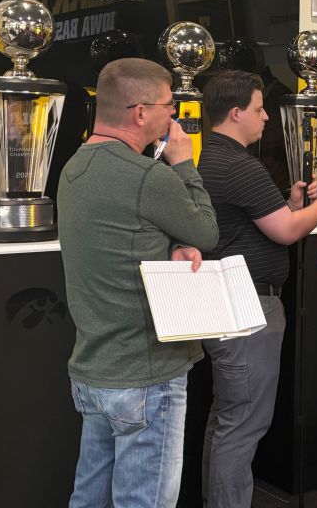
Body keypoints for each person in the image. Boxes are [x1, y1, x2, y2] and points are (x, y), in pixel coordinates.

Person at [58, 58, 220, 508]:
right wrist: (185, 163)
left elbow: (121, 241)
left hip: (94, 369)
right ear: (140, 112)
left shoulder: (73, 170)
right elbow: (206, 231)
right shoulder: (150, 176)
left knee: (88, 498)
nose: (176, 116)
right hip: (147, 374)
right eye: (169, 106)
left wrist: (168, 247)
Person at [197, 70, 317, 508]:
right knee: (242, 422)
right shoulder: (240, 165)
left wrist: (296, 203)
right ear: (237, 112)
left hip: (228, 299)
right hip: (247, 304)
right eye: (260, 109)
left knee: (227, 419)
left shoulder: (213, 160)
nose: (266, 118)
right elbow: (284, 232)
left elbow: (267, 221)